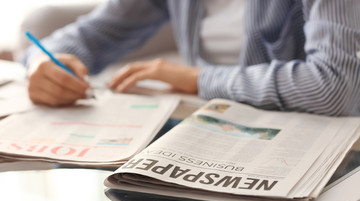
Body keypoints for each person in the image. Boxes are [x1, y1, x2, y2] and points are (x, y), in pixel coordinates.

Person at [22, 0, 360, 116]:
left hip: (315, 142)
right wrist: (43, 63)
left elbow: (333, 86)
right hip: (209, 129)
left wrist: (197, 78)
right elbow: (92, 34)